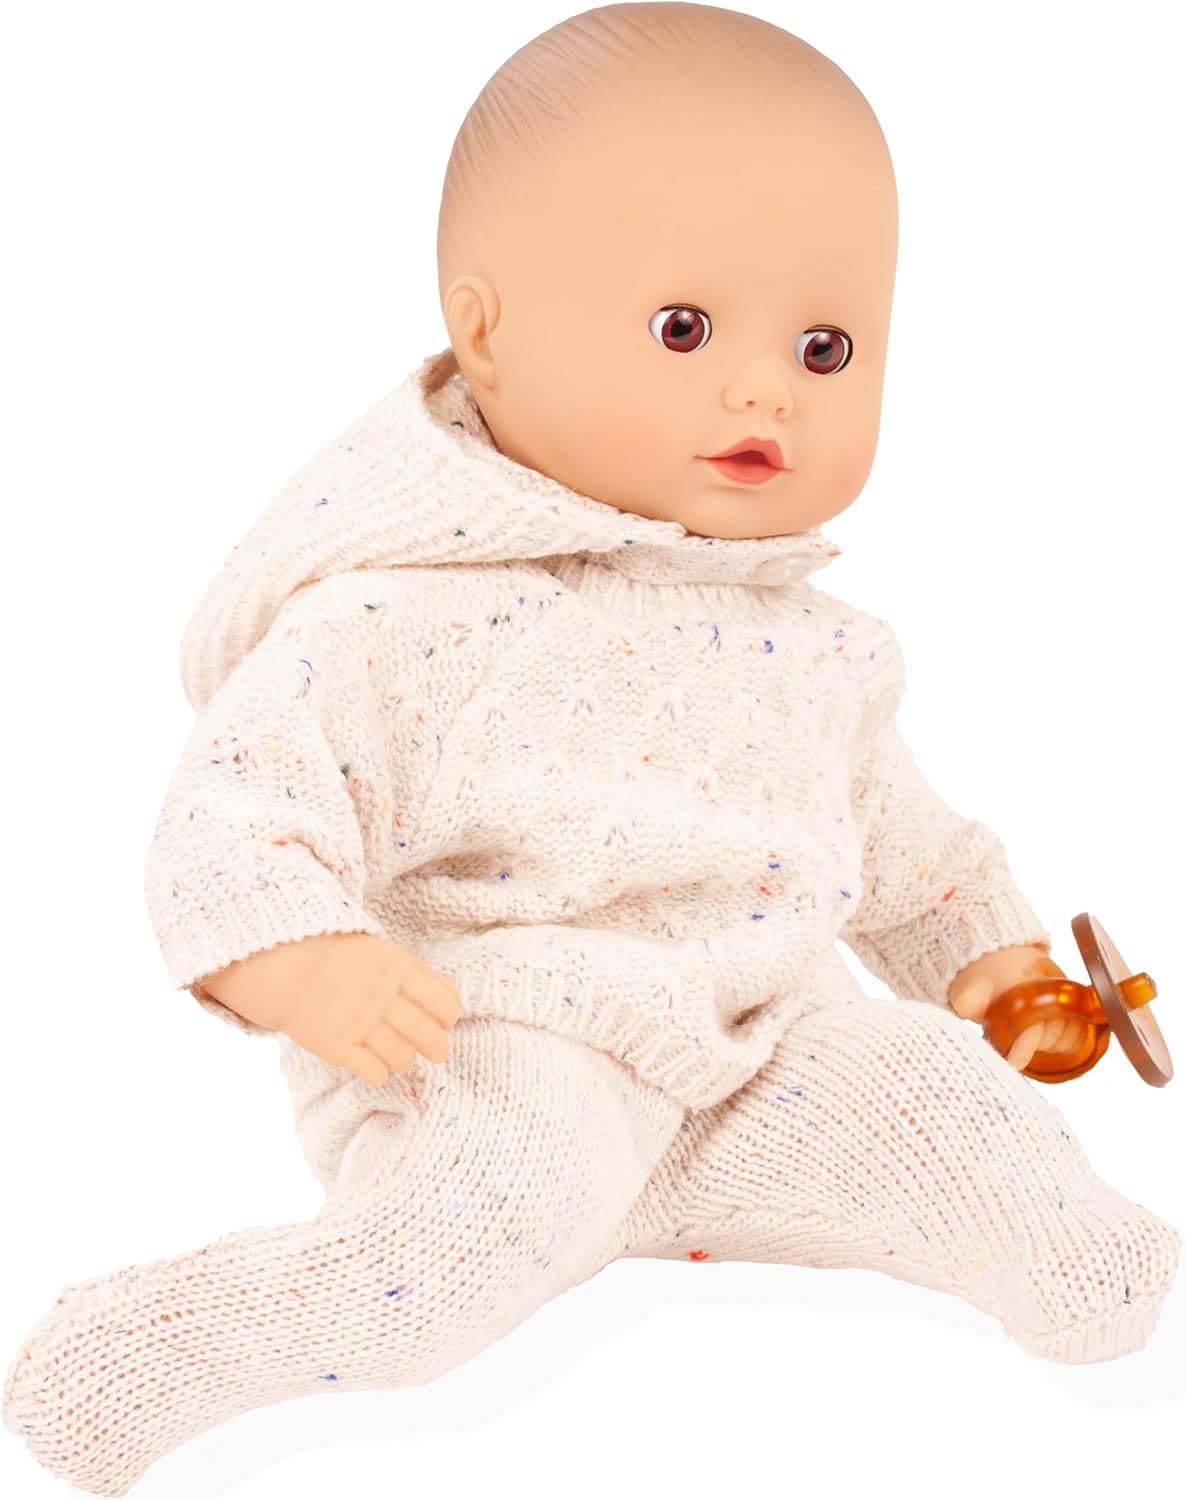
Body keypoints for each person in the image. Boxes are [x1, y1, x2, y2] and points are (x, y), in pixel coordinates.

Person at [4, 6, 1178, 1493]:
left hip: (763, 1046)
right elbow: (237, 812)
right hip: (505, 1040)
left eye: (824, 347)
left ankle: (1094, 1285)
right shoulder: (396, 619)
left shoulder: (824, 653)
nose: (766, 390)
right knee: (445, 1264)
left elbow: (903, 844)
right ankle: (133, 1357)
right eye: (685, 330)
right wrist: (298, 962)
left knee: (950, 1112)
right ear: (485, 333)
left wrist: (994, 965)